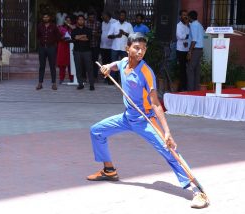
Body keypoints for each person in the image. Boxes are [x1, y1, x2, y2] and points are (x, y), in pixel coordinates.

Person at [87, 33, 209, 209]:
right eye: (137, 48)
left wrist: (167, 131)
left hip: (146, 120)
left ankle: (198, 191)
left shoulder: (146, 72)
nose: (140, 51)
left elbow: (156, 104)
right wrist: (106, 66)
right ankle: (109, 170)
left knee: (170, 151)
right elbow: (115, 66)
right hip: (127, 117)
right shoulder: (123, 62)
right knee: (96, 131)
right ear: (127, 48)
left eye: (143, 49)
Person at [36, 13, 60, 90]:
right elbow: (38, 36)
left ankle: (54, 83)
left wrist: (53, 44)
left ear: (49, 17)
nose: (45, 18)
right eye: (44, 17)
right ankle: (40, 83)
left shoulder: (54, 26)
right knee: (42, 66)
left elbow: (58, 36)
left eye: (47, 17)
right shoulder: (40, 26)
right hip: (42, 48)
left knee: (52, 66)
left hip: (51, 48)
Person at [108, 10, 133, 83]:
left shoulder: (128, 25)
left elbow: (132, 36)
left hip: (125, 49)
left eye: (123, 15)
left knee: (125, 65)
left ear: (125, 17)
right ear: (118, 16)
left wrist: (124, 33)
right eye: (121, 15)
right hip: (115, 48)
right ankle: (112, 80)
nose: (122, 16)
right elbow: (109, 36)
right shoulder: (114, 25)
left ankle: (124, 81)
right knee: (113, 64)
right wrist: (117, 35)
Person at [71, 15, 94, 91]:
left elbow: (88, 39)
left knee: (89, 68)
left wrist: (79, 37)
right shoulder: (74, 30)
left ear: (84, 21)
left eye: (82, 20)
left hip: (87, 51)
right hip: (77, 51)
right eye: (79, 19)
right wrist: (83, 36)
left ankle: (91, 84)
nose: (81, 21)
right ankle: (80, 84)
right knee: (78, 68)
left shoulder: (88, 30)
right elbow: (74, 38)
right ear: (77, 21)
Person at [186, 10, 204, 91]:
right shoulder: (199, 24)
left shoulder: (193, 25)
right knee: (196, 70)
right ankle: (196, 89)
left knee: (190, 69)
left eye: (188, 17)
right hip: (200, 50)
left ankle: (190, 90)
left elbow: (194, 40)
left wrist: (189, 52)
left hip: (195, 50)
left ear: (190, 17)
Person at [100, 11, 116, 83]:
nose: (102, 18)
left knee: (111, 63)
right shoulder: (103, 23)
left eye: (103, 16)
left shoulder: (115, 22)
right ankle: (106, 77)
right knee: (104, 63)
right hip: (103, 46)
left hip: (111, 46)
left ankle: (111, 79)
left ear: (107, 16)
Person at [176, 10, 190, 91]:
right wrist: (187, 36)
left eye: (186, 15)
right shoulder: (178, 25)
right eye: (183, 15)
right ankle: (181, 88)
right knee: (182, 69)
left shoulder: (189, 25)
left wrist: (188, 26)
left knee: (187, 69)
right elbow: (179, 36)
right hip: (181, 50)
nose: (185, 16)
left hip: (188, 50)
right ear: (180, 16)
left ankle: (186, 86)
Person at [57, 16, 74, 84]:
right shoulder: (61, 27)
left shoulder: (73, 27)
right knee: (62, 64)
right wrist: (62, 38)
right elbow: (57, 36)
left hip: (71, 46)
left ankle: (72, 78)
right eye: (67, 20)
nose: (68, 22)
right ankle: (61, 78)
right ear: (64, 21)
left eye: (69, 20)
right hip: (63, 46)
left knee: (71, 63)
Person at [86, 12, 102, 80]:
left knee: (95, 61)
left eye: (93, 17)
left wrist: (96, 34)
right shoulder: (85, 23)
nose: (91, 18)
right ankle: (88, 76)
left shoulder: (98, 23)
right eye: (90, 17)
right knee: (87, 61)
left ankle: (95, 76)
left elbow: (101, 34)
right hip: (87, 46)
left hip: (95, 45)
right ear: (88, 17)